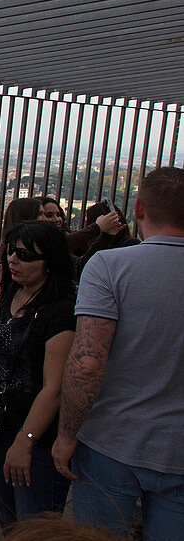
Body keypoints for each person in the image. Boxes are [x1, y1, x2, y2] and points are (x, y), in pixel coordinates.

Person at [52, 167, 184, 541]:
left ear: (139, 209)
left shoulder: (111, 266)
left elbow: (88, 362)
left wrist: (67, 434)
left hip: (111, 442)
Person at [0, 221, 76, 528]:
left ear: (50, 263)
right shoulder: (14, 293)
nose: (12, 259)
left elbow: (54, 389)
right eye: (11, 250)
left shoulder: (60, 312)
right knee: (8, 517)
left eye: (24, 255)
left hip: (34, 435)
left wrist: (26, 441)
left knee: (34, 525)